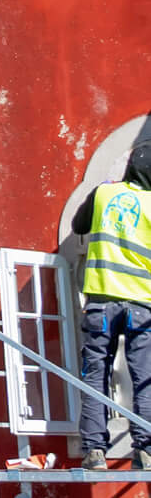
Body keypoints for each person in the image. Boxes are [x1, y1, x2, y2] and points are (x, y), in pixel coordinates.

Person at [71, 132, 151, 469]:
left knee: (95, 374)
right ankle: (146, 450)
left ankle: (94, 451)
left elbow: (78, 226)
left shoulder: (104, 193)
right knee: (145, 377)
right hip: (142, 306)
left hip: (101, 303)